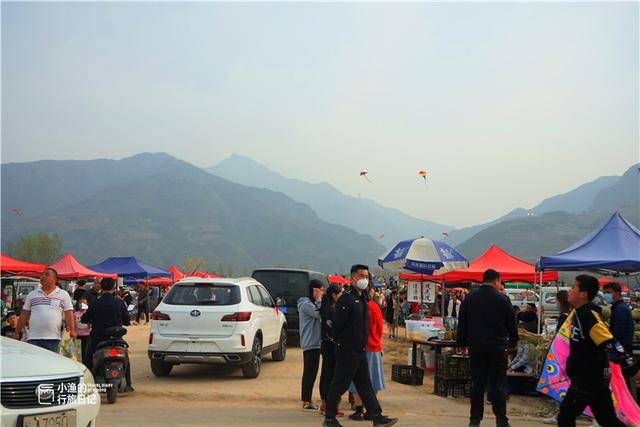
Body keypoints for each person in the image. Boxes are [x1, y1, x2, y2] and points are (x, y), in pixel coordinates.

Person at [557, 275, 640, 427]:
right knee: (607, 420)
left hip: (588, 378)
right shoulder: (578, 313)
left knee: (565, 416)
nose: (570, 290)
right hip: (593, 378)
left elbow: (611, 343)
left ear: (583, 294)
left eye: (574, 286)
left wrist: (632, 368)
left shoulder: (588, 316)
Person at [323, 264, 398, 427]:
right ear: (353, 278)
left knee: (365, 385)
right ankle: (329, 418)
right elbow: (337, 325)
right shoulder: (347, 299)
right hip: (348, 350)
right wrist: (342, 342)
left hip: (360, 349)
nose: (365, 279)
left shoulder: (363, 299)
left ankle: (376, 416)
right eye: (361, 276)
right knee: (339, 384)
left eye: (366, 276)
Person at [457, 269, 517, 427]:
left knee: (478, 384)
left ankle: (475, 420)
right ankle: (501, 420)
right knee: (498, 385)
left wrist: (462, 343)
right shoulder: (503, 299)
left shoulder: (470, 298)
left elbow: (462, 323)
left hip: (476, 348)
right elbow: (512, 324)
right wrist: (512, 343)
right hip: (497, 348)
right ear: (497, 281)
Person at [81, 277, 133, 391]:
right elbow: (127, 320)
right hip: (117, 339)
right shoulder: (119, 302)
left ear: (101, 287)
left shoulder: (95, 303)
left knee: (88, 358)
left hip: (98, 338)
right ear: (114, 287)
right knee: (125, 359)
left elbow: (85, 318)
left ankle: (87, 384)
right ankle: (128, 384)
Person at [14, 268, 76, 353]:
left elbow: (69, 314)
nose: (43, 277)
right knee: (34, 363)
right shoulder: (32, 294)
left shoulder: (63, 294)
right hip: (33, 338)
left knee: (50, 364)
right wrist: (17, 332)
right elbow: (24, 314)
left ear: (54, 279)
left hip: (53, 339)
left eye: (46, 274)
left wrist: (72, 331)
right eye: (42, 274)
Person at [349, 284, 386, 421]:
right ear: (370, 291)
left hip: (358, 348)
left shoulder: (355, 305)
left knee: (357, 380)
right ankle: (371, 410)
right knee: (373, 381)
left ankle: (358, 410)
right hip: (374, 348)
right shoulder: (374, 306)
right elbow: (380, 329)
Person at [603, 281, 636, 398]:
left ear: (617, 293)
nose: (606, 295)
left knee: (622, 383)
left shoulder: (620, 310)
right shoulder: (618, 308)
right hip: (622, 351)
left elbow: (618, 335)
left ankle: (626, 408)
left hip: (621, 353)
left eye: (608, 292)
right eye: (604, 292)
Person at [298, 279, 325, 411]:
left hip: (315, 343)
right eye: (320, 290)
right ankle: (306, 400)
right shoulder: (306, 304)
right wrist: (320, 299)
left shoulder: (311, 303)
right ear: (314, 290)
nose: (322, 293)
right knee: (309, 373)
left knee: (312, 372)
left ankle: (306, 399)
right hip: (311, 343)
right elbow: (319, 313)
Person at [319, 285, 344, 417]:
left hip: (327, 346)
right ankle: (329, 406)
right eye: (340, 294)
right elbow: (333, 330)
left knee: (326, 374)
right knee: (330, 376)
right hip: (330, 346)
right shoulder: (331, 310)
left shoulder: (329, 308)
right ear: (334, 295)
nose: (342, 296)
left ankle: (325, 404)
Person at [74, 296, 92, 367]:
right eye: (81, 303)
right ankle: (79, 365)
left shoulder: (89, 313)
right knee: (78, 353)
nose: (82, 305)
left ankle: (86, 365)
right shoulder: (75, 314)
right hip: (78, 336)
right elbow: (73, 325)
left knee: (86, 352)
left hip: (87, 336)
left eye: (84, 303)